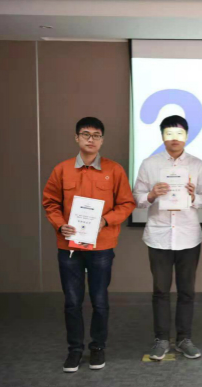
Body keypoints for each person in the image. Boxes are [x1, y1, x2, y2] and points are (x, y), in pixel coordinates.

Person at [43, 117, 136, 372]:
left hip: (101, 246)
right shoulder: (62, 169)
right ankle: (74, 350)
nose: (91, 139)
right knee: (72, 302)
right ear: (77, 138)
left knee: (99, 300)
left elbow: (127, 203)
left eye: (96, 135)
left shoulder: (113, 170)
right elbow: (50, 202)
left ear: (102, 140)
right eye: (85, 134)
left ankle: (97, 347)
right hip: (69, 246)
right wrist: (60, 224)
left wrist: (106, 220)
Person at [132, 115, 202, 361]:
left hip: (188, 237)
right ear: (162, 136)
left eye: (179, 133)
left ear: (186, 136)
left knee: (187, 291)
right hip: (159, 236)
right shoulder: (150, 164)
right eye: (169, 133)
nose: (174, 138)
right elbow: (136, 198)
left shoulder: (197, 165)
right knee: (160, 291)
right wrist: (151, 195)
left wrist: (193, 197)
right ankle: (161, 340)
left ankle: (184, 339)